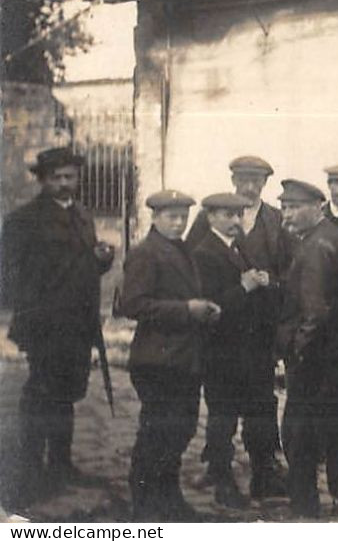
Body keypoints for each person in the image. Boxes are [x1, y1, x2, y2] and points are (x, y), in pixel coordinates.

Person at [0, 147, 116, 507]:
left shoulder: (82, 215)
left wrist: (102, 260)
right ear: (43, 179)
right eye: (56, 177)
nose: (64, 183)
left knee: (67, 394)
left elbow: (83, 267)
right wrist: (32, 308)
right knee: (41, 398)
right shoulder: (25, 220)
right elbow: (8, 275)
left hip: (79, 324)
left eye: (70, 176)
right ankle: (31, 473)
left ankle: (61, 465)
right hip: (46, 325)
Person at [184, 154, 288, 500]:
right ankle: (220, 473)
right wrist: (244, 287)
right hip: (224, 346)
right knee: (223, 411)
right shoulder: (205, 247)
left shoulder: (260, 229)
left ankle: (264, 472)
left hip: (256, 339)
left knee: (260, 406)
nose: (234, 218)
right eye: (226, 214)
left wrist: (262, 284)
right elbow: (203, 293)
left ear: (264, 184)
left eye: (256, 180)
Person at [118, 191, 220, 520]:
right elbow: (131, 305)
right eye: (171, 217)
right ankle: (146, 505)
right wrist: (187, 310)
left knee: (180, 430)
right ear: (155, 217)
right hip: (156, 360)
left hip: (183, 358)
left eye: (183, 217)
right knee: (157, 432)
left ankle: (169, 497)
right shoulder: (146, 253)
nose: (178, 223)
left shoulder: (181, 249)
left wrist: (202, 309)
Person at [276, 179, 338, 519]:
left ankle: (305, 508)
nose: (287, 216)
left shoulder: (316, 248)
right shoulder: (326, 238)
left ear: (317, 207)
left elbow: (314, 311)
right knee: (332, 426)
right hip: (334, 354)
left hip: (314, 357)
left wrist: (297, 349)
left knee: (299, 433)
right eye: (283, 208)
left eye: (294, 208)